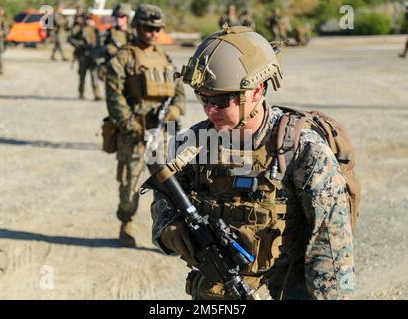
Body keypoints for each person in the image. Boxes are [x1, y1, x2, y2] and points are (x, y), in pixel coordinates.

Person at [150, 26, 356, 300]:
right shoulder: (195, 142)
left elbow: (330, 247)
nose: (209, 110)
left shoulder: (302, 150)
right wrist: (168, 227)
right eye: (203, 97)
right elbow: (164, 197)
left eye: (221, 100)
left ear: (257, 90)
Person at [105, 4, 186, 247]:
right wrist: (131, 124)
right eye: (147, 28)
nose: (152, 33)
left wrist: (174, 111)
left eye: (156, 29)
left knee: (167, 183)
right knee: (130, 183)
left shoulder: (164, 57)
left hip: (159, 133)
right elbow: (114, 95)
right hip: (133, 133)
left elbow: (178, 91)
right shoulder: (124, 57)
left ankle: (170, 232)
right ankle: (126, 222)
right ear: (137, 27)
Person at [68, 12, 102, 100]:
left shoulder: (95, 29)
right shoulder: (79, 29)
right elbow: (70, 39)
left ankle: (97, 94)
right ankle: (81, 92)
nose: (88, 21)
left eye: (90, 19)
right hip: (82, 56)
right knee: (82, 75)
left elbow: (100, 40)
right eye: (86, 19)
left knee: (94, 75)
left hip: (93, 56)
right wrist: (79, 44)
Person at [98, 3, 134, 81]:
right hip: (113, 72)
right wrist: (108, 49)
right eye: (117, 16)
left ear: (127, 18)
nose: (118, 19)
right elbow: (98, 51)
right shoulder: (109, 33)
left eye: (121, 17)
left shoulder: (133, 34)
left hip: (130, 71)